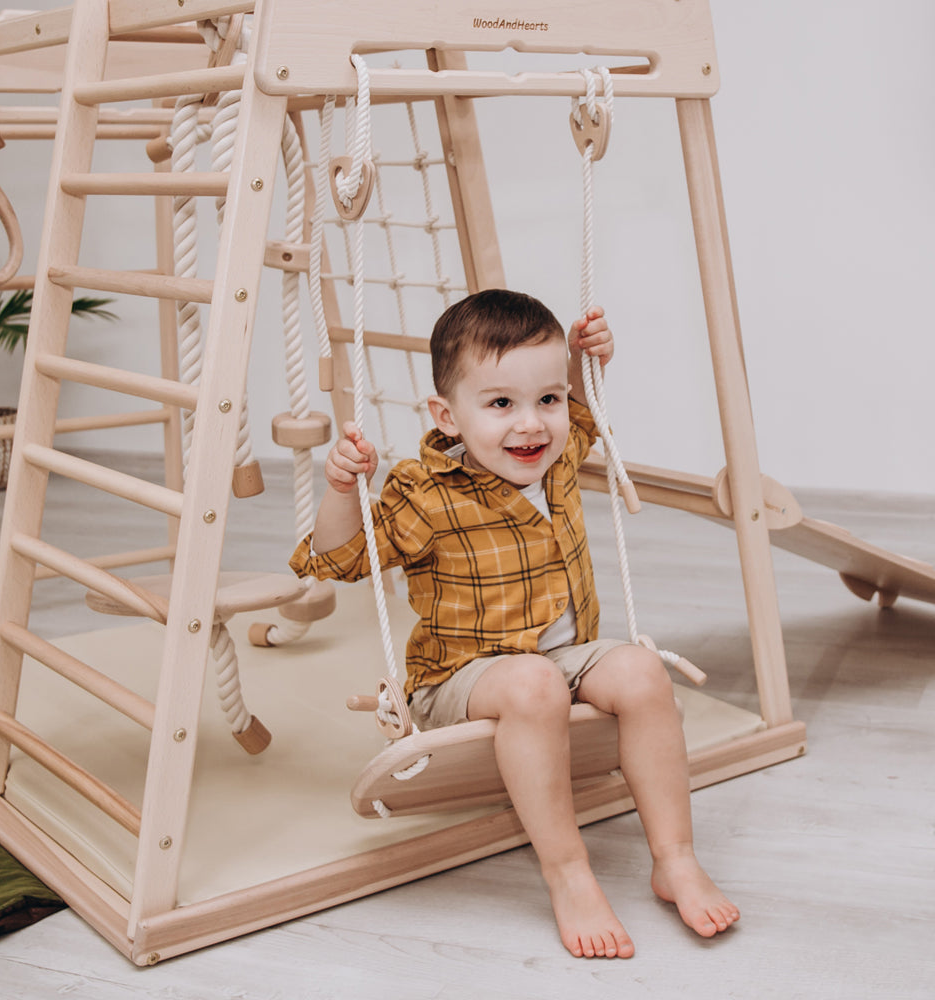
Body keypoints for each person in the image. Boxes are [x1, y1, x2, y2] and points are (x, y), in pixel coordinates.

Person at [290, 289, 739, 959]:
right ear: (447, 416)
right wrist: (338, 489)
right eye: (500, 403)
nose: (531, 425)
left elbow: (584, 406)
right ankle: (568, 872)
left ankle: (674, 857)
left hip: (564, 658)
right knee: (532, 685)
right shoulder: (425, 490)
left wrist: (589, 361)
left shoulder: (555, 458)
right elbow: (339, 559)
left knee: (643, 671)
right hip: (459, 681)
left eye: (546, 400)